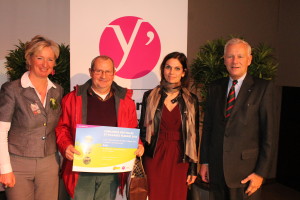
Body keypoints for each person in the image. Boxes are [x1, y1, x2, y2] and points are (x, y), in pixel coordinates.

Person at [56, 55, 144, 200]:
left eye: (108, 71)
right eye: (98, 71)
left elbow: (132, 129)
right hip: (81, 169)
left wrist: (138, 144)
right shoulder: (72, 98)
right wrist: (66, 146)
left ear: (114, 73)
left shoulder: (126, 102)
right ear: (91, 72)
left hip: (111, 171)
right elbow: (62, 128)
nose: (103, 76)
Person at [200, 38, 275, 200]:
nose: (235, 61)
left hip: (246, 174)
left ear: (249, 59)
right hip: (217, 170)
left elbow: (268, 135)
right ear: (224, 60)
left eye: (240, 56)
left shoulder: (263, 88)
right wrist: (205, 162)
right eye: (230, 56)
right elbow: (208, 128)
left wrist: (260, 173)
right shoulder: (215, 87)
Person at [0, 35, 64, 200]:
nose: (45, 64)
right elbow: (1, 132)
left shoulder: (57, 90)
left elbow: (58, 127)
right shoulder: (12, 89)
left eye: (50, 59)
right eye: (40, 58)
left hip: (49, 163)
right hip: (18, 164)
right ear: (29, 59)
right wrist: (5, 168)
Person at [139, 52, 199, 200]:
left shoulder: (191, 100)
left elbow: (194, 135)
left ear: (183, 72)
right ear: (163, 69)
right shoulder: (150, 96)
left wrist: (193, 168)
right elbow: (142, 130)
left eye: (177, 68)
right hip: (154, 154)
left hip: (180, 157)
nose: (171, 72)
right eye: (168, 67)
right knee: (153, 195)